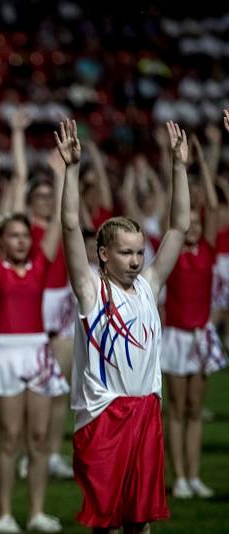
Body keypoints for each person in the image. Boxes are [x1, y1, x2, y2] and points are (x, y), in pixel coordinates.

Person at [58, 119, 190, 532]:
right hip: (104, 415)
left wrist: (178, 167)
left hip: (146, 409)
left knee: (141, 520)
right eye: (125, 253)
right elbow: (67, 227)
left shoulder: (149, 286)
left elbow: (179, 227)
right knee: (108, 522)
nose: (136, 260)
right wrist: (72, 169)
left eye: (138, 252)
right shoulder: (91, 290)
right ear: (103, 254)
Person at [0, 137, 68, 532]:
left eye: (23, 235)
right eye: (12, 236)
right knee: (9, 440)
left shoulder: (40, 265)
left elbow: (60, 224)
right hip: (3, 352)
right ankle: (3, 514)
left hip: (38, 352)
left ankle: (35, 512)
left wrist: (63, 174)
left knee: (37, 439)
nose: (21, 240)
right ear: (1, 242)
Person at [161, 129, 227, 499]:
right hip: (175, 336)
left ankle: (194, 474)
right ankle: (180, 476)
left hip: (200, 336)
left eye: (199, 225)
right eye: (191, 223)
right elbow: (180, 212)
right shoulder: (173, 252)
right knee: (175, 410)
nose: (195, 228)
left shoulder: (208, 250)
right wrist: (179, 166)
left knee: (193, 409)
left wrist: (200, 162)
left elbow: (215, 207)